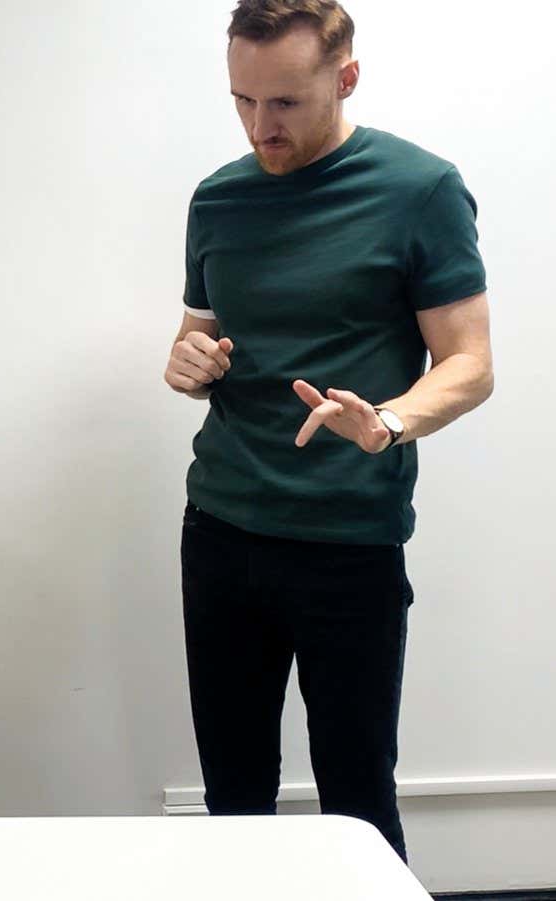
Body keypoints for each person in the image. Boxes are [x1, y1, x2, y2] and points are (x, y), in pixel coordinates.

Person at [164, 0, 493, 862]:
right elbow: (198, 330)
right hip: (222, 533)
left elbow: (470, 364)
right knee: (234, 795)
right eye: (242, 101)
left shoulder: (420, 189)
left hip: (349, 544)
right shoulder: (218, 198)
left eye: (284, 104)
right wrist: (187, 360)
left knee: (355, 798)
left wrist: (386, 420)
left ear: (345, 78)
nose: (260, 127)